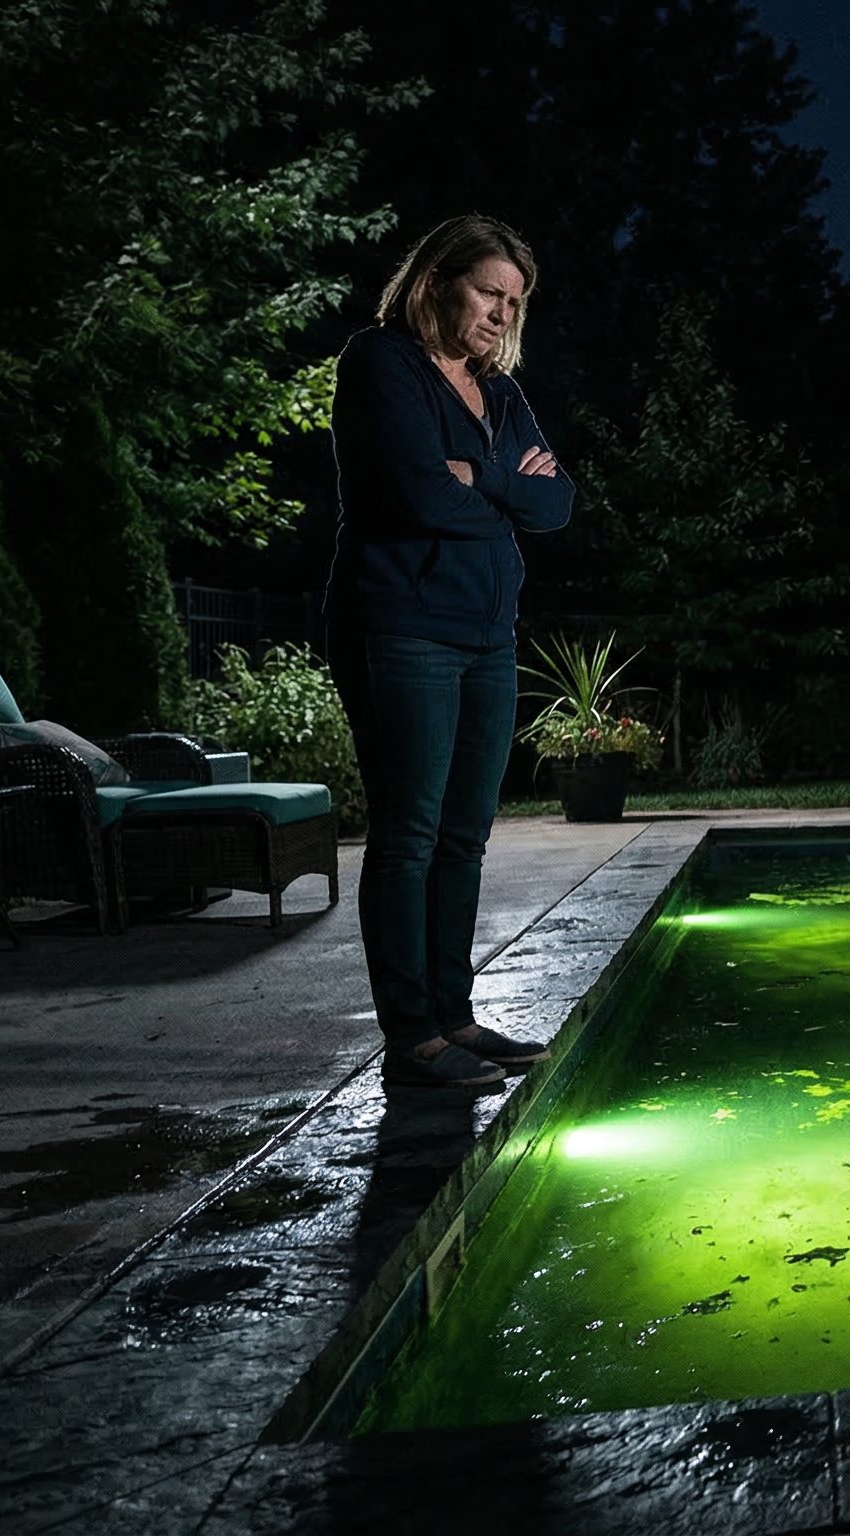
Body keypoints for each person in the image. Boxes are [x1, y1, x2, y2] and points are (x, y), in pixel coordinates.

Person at [325, 214, 574, 1090]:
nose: (503, 313)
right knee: (409, 834)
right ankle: (413, 1038)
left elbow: (559, 505)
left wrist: (488, 483)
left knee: (465, 837)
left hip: (485, 636)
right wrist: (494, 492)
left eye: (515, 301)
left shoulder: (499, 395)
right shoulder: (381, 362)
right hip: (400, 625)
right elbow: (419, 495)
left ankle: (456, 1017)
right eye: (489, 292)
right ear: (438, 283)